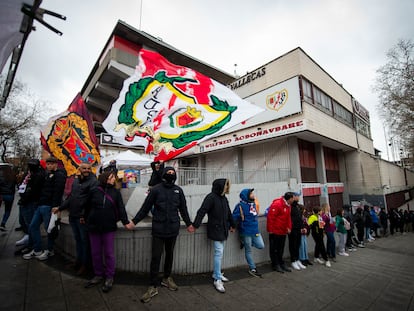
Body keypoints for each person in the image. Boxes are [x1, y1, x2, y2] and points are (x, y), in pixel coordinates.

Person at [126, 166, 194, 302]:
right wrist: (134, 221)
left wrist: (189, 224)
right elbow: (145, 208)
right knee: (156, 257)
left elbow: (183, 209)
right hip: (158, 229)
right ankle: (152, 285)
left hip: (173, 229)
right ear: (163, 175)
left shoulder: (178, 191)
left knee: (170, 255)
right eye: (168, 173)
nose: (170, 174)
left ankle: (166, 278)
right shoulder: (156, 190)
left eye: (172, 173)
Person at [84, 171, 130, 293]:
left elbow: (121, 208)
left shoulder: (115, 192)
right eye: (110, 178)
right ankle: (98, 274)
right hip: (94, 226)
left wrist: (125, 222)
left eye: (113, 178)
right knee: (95, 252)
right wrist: (85, 218)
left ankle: (109, 276)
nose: (113, 180)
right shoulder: (94, 190)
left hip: (109, 227)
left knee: (109, 253)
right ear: (104, 179)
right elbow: (87, 206)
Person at [53, 162, 98, 275]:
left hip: (82, 218)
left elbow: (91, 201)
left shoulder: (93, 182)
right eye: (84, 168)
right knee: (78, 241)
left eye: (88, 168)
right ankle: (78, 261)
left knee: (85, 242)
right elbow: (71, 198)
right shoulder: (76, 181)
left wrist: (83, 215)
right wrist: (60, 208)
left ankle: (85, 265)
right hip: (73, 216)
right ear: (79, 169)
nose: (87, 170)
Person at [193, 178, 235, 293]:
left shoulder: (223, 198)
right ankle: (217, 279)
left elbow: (228, 212)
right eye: (226, 185)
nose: (227, 187)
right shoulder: (211, 197)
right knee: (218, 253)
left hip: (223, 229)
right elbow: (202, 211)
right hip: (216, 229)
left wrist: (233, 224)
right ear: (220, 186)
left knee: (220, 253)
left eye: (227, 185)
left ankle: (216, 273)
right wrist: (195, 225)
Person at [23, 157, 67, 261]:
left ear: (56, 164)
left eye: (51, 164)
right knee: (33, 226)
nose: (49, 166)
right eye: (48, 164)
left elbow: (58, 192)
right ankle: (37, 249)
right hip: (41, 204)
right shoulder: (47, 175)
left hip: (49, 206)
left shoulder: (59, 175)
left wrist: (56, 206)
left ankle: (49, 250)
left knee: (50, 229)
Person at [232, 188, 264, 277]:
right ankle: (252, 268)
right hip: (246, 231)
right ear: (246, 195)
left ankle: (243, 242)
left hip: (255, 231)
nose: (253, 195)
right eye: (251, 194)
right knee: (248, 250)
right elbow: (234, 217)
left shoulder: (253, 204)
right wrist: (232, 226)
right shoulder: (240, 206)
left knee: (261, 245)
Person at [15, 159, 45, 248]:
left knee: (31, 223)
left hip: (30, 202)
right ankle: (29, 238)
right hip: (24, 200)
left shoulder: (38, 175)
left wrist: (26, 198)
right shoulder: (28, 174)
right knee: (24, 221)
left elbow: (34, 189)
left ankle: (33, 244)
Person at [267, 192, 294, 273]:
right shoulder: (277, 204)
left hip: (283, 231)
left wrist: (289, 227)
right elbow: (271, 217)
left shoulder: (288, 206)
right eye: (292, 198)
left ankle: (281, 263)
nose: (293, 200)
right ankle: (275, 264)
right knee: (274, 249)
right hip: (275, 231)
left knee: (280, 248)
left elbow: (288, 217)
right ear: (289, 199)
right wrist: (270, 229)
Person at [288, 192, 306, 270]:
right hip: (292, 229)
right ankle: (293, 260)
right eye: (297, 196)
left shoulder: (297, 206)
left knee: (298, 244)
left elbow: (299, 218)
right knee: (293, 245)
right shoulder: (290, 206)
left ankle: (297, 259)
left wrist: (302, 227)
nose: (298, 197)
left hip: (298, 228)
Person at [0, 164, 17, 231]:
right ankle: (3, 224)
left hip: (1, 195)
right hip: (10, 195)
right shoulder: (12, 175)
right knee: (7, 210)